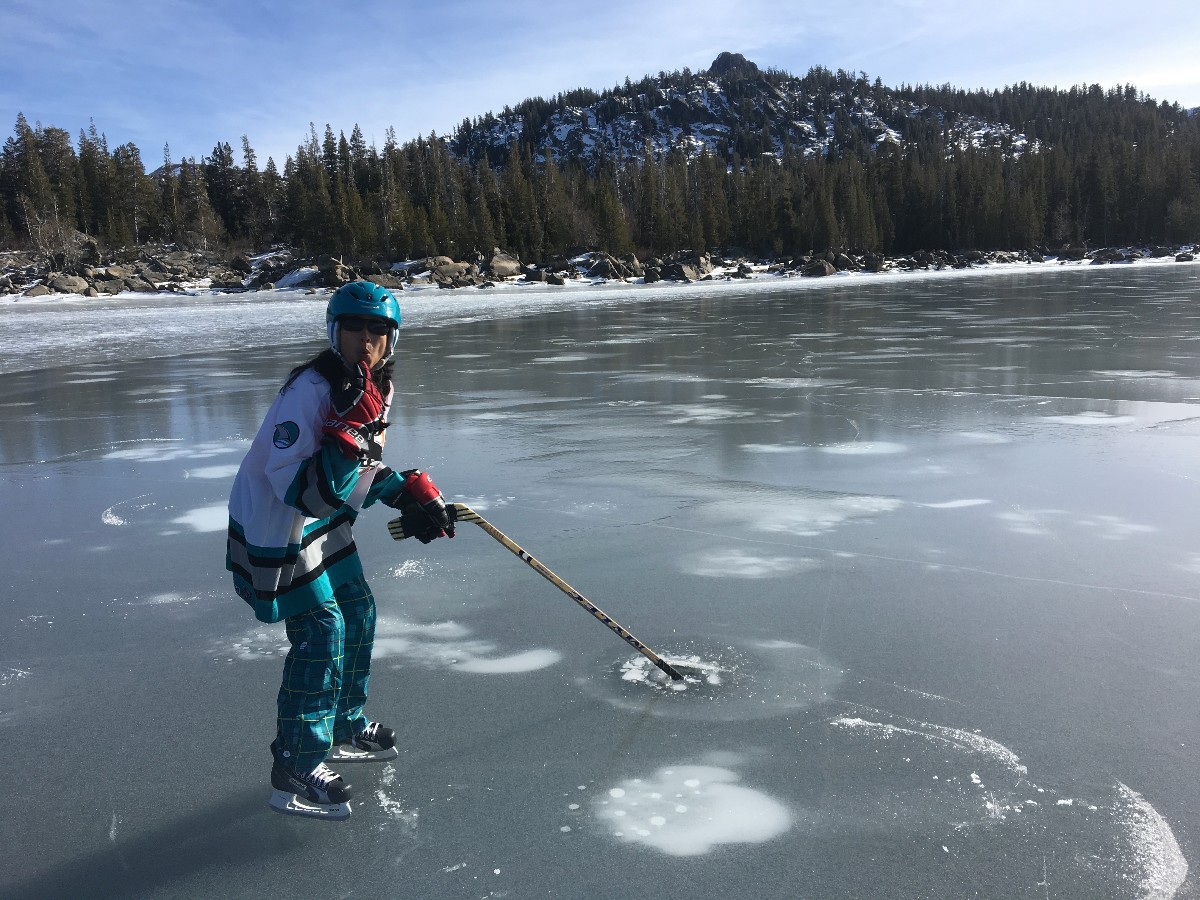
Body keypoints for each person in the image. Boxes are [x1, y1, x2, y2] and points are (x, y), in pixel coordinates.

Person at [226, 280, 455, 820]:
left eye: (379, 329)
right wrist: (347, 441)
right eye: (354, 327)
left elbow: (357, 471)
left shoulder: (375, 386)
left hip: (322, 518)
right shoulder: (311, 390)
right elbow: (296, 488)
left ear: (392, 339)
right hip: (278, 525)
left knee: (358, 610)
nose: (366, 339)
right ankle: (296, 760)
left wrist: (407, 492)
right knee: (321, 630)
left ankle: (345, 720)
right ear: (335, 332)